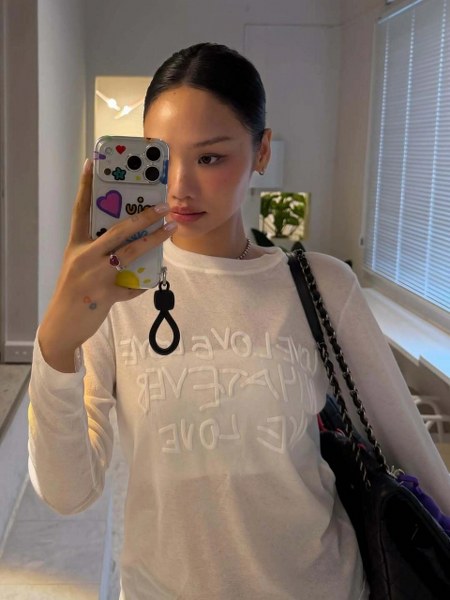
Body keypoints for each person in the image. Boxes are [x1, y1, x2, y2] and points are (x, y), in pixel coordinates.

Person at [28, 42, 450, 600]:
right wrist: (56, 345)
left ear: (261, 150)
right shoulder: (118, 291)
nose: (180, 187)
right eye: (162, 156)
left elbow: (414, 456)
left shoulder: (322, 286)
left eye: (209, 158)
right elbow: (68, 493)